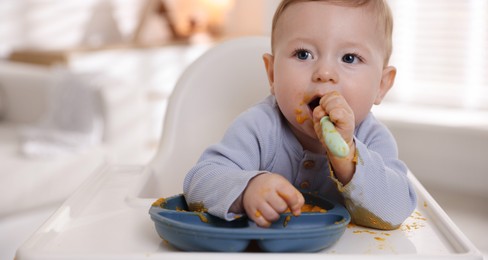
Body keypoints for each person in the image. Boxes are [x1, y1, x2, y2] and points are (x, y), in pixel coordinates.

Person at [183, 0, 417, 230]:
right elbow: (199, 182)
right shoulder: (259, 128)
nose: (324, 73)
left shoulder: (373, 139)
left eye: (349, 58)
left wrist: (350, 160)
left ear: (381, 85)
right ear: (272, 74)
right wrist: (247, 189)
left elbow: (395, 210)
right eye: (303, 54)